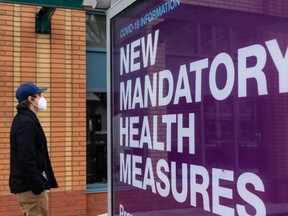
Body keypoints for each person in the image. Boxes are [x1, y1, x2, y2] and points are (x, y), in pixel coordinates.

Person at [9, 82, 58, 216]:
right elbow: (26, 159)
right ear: (30, 99)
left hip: (29, 187)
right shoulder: (26, 122)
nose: (42, 98)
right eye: (39, 95)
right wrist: (37, 187)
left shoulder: (25, 119)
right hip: (30, 189)